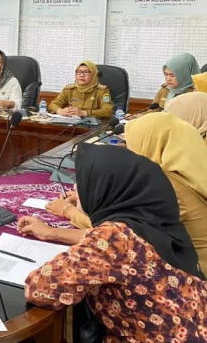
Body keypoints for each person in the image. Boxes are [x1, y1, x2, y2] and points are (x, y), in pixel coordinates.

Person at [23, 144, 206, 343]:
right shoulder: (154, 219)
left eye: (83, 181)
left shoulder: (113, 239)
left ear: (105, 188)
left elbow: (41, 288)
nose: (75, 188)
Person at [125, 112, 207, 272]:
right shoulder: (194, 168)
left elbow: (127, 232)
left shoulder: (168, 185)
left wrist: (74, 213)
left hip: (195, 272)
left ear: (150, 144)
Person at [48, 61, 113, 118]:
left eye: (86, 72)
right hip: (71, 123)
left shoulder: (102, 91)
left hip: (92, 124)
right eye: (79, 72)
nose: (82, 75)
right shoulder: (69, 89)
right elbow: (52, 105)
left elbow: (108, 111)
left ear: (94, 74)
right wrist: (60, 111)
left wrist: (84, 113)